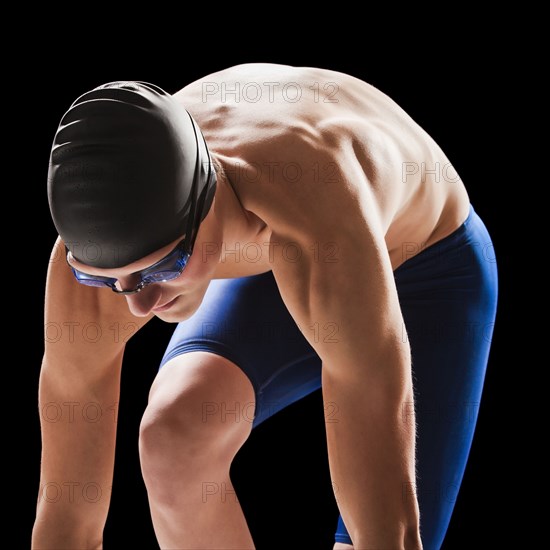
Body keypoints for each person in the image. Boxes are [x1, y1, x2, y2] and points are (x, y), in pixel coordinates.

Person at [33, 63, 497, 550]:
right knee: (175, 439)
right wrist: (132, 271)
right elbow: (66, 517)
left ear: (207, 201)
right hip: (274, 253)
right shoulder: (92, 265)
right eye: (108, 280)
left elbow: (388, 532)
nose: (138, 303)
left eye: (164, 266)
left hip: (429, 271)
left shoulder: (313, 201)